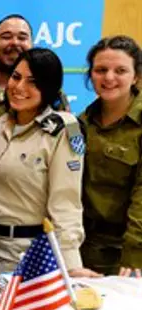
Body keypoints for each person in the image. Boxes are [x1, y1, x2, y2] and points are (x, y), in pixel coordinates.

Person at [0, 48, 99, 277]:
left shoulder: (64, 131)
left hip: (23, 257)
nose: (19, 88)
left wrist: (71, 265)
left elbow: (66, 202)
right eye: (16, 77)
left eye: (33, 82)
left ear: (48, 88)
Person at [80, 36, 142, 276]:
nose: (109, 78)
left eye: (121, 70)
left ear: (135, 76)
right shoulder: (81, 123)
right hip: (84, 248)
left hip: (127, 253)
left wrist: (135, 252)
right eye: (101, 70)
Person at [0, 14, 70, 135]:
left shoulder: (53, 94)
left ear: (32, 46)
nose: (14, 42)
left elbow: (71, 134)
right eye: (6, 37)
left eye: (22, 38)